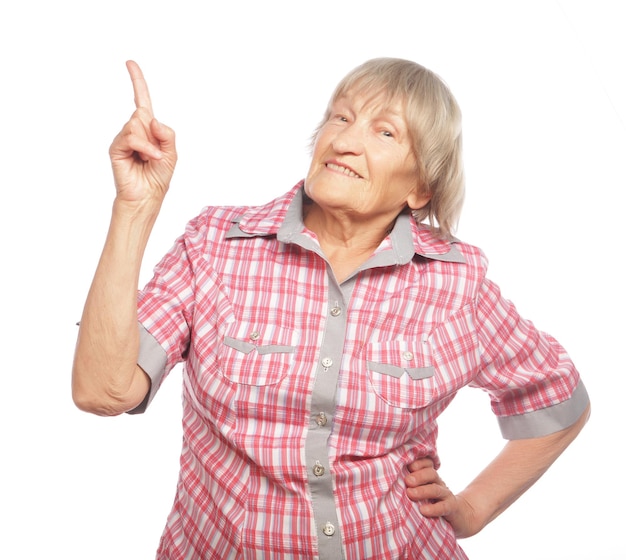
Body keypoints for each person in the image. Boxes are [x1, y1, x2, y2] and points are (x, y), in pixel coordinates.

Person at [72, 58, 590, 559]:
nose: (344, 140)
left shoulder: (458, 283)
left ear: (421, 187)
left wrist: (474, 508)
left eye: (385, 132)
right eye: (340, 117)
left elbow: (557, 400)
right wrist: (135, 210)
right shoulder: (214, 246)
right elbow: (104, 390)